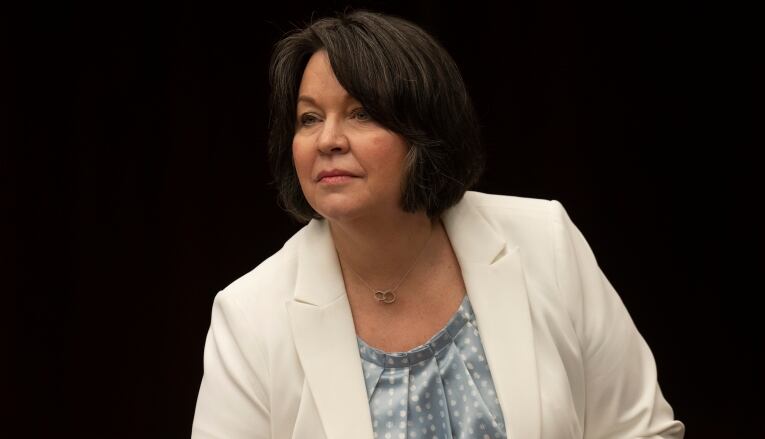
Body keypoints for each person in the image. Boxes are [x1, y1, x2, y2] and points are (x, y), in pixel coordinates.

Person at [191, 10, 684, 439]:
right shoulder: (249, 315)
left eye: (361, 113)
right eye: (309, 119)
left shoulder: (544, 240)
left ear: (425, 131)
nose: (329, 140)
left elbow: (639, 430)